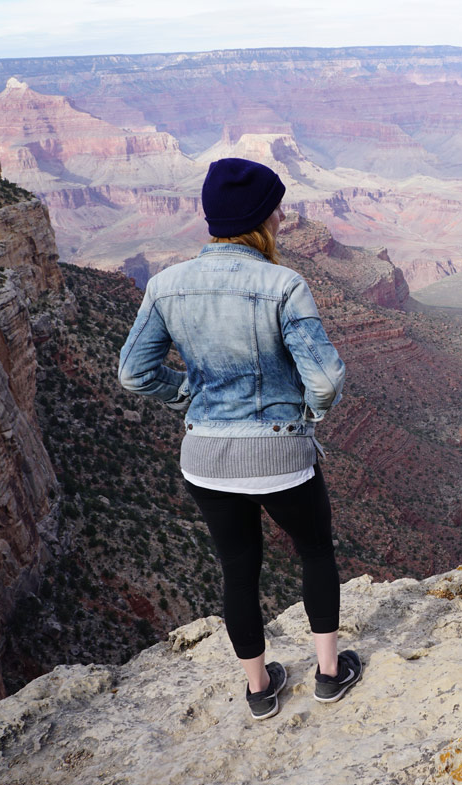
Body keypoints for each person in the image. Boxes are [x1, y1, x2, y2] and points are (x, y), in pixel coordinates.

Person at [118, 157, 361, 720]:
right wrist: (308, 413)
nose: (281, 215)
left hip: (206, 456)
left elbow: (134, 373)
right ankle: (328, 674)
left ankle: (258, 690)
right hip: (280, 451)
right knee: (316, 552)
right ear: (261, 218)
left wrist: (188, 397)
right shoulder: (283, 285)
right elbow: (325, 377)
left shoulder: (165, 285)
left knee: (238, 568)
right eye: (276, 206)